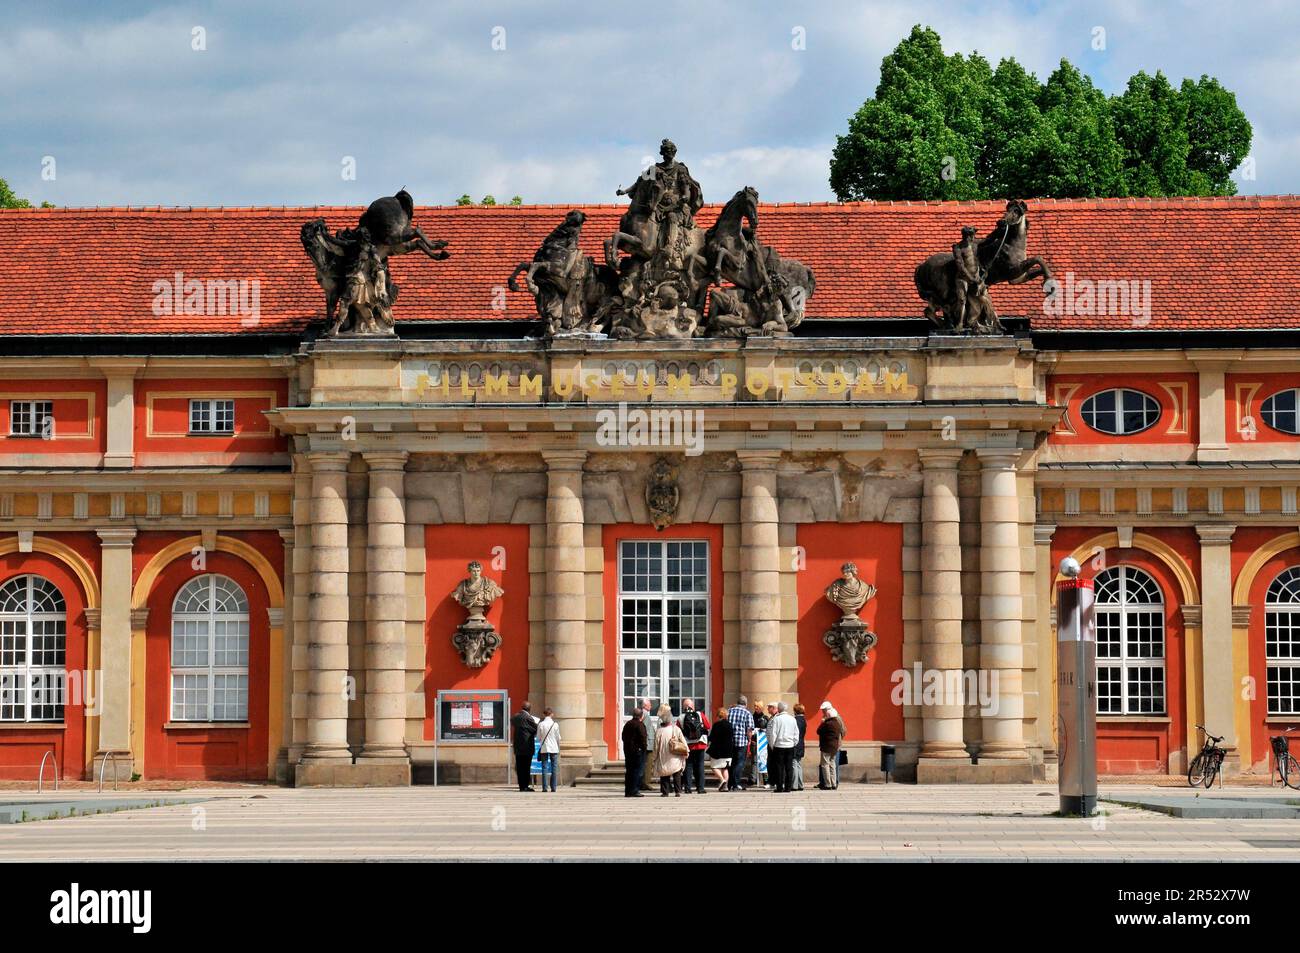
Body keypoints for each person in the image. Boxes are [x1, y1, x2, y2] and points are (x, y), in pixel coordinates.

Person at [654, 705, 688, 797]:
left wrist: (655, 756)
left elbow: (656, 746)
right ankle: (678, 791)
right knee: (677, 773)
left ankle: (665, 792)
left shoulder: (659, 731)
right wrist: (686, 752)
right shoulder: (676, 729)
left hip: (663, 755)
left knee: (664, 774)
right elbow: (683, 742)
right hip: (675, 755)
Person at [679, 698, 710, 794]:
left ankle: (688, 788)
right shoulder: (700, 715)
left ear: (684, 707)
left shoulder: (681, 717)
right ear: (693, 706)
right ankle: (700, 788)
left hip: (688, 744)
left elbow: (678, 730)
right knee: (700, 765)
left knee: (688, 766)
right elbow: (708, 726)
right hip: (700, 744)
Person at [766, 701, 799, 793]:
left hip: (779, 746)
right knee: (789, 767)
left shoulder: (777, 719)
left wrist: (772, 745)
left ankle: (779, 787)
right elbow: (796, 733)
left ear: (779, 709)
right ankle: (788, 787)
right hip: (790, 746)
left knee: (779, 767)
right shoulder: (792, 719)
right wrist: (793, 743)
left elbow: (773, 734)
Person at [727, 696, 755, 791]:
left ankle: (730, 783)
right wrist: (749, 740)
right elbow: (749, 729)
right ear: (745, 704)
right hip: (741, 741)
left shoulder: (729, 711)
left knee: (732, 762)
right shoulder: (747, 713)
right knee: (740, 763)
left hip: (729, 741)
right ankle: (736, 783)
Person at [510, 701, 538, 792]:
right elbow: (535, 729)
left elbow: (513, 722)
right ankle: (525, 786)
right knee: (526, 767)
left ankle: (521, 786)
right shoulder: (529, 718)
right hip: (527, 747)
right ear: (529, 709)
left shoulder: (516, 717)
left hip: (518, 747)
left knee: (519, 767)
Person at [817, 705, 846, 790]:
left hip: (827, 747)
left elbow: (818, 731)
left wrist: (822, 723)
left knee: (825, 765)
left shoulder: (827, 723)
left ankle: (827, 784)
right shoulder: (837, 722)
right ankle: (834, 783)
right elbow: (843, 731)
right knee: (832, 765)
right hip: (835, 746)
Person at [621, 708, 648, 797]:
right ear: (641, 716)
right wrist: (644, 749)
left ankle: (628, 790)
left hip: (628, 751)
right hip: (638, 752)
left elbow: (623, 737)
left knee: (629, 771)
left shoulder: (627, 724)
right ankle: (634, 790)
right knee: (637, 771)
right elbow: (643, 738)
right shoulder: (640, 725)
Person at [707, 707, 734, 792]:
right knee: (725, 768)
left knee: (714, 767)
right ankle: (725, 786)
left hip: (717, 750)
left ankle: (722, 780)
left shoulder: (716, 725)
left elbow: (712, 737)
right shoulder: (730, 725)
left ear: (719, 715)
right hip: (728, 750)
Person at [535, 707, 561, 793]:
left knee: (544, 767)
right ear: (552, 714)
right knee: (554, 767)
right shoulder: (555, 725)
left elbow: (538, 737)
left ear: (544, 714)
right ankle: (553, 788)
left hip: (544, 747)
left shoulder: (541, 724)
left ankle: (544, 788)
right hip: (554, 747)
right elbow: (558, 738)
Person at [751, 702, 770, 786]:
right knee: (754, 761)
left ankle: (766, 779)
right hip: (754, 741)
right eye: (755, 706)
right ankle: (753, 779)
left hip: (763, 742)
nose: (756, 708)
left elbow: (768, 729)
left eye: (757, 706)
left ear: (761, 708)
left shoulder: (765, 718)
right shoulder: (751, 717)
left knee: (763, 760)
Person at [792, 703, 808, 791]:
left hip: (795, 744)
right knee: (798, 764)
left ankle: (794, 785)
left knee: (794, 764)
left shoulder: (795, 720)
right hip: (801, 743)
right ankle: (800, 784)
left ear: (795, 711)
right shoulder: (804, 720)